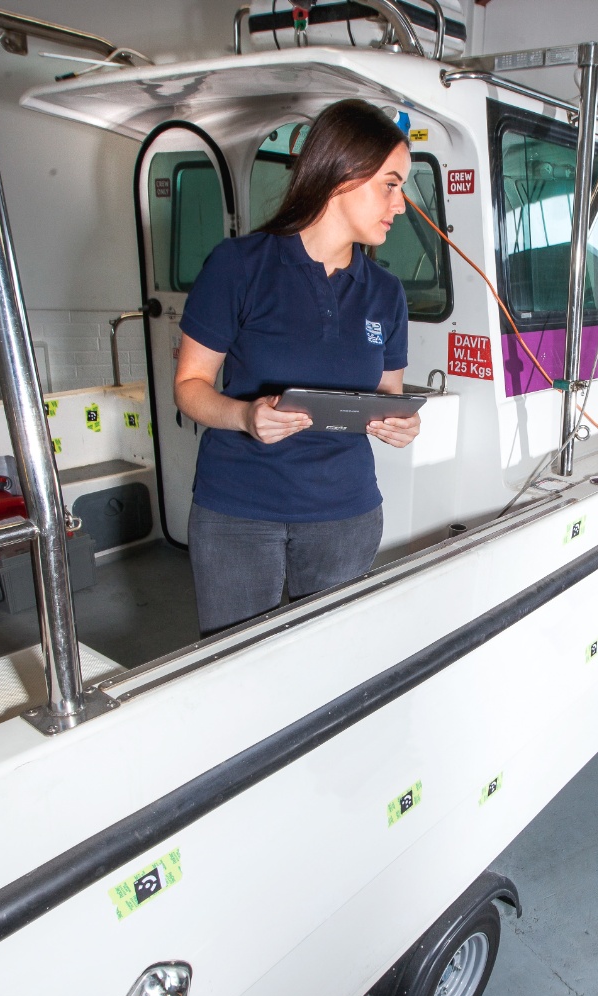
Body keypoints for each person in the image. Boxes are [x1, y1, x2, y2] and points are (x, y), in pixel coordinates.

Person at [174, 100, 421, 634]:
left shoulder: (385, 292)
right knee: (233, 663)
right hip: (239, 508)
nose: (399, 205)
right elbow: (190, 387)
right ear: (342, 176)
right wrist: (244, 417)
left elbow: (388, 393)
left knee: (329, 664)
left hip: (345, 510)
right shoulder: (238, 266)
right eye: (390, 185)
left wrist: (402, 422)